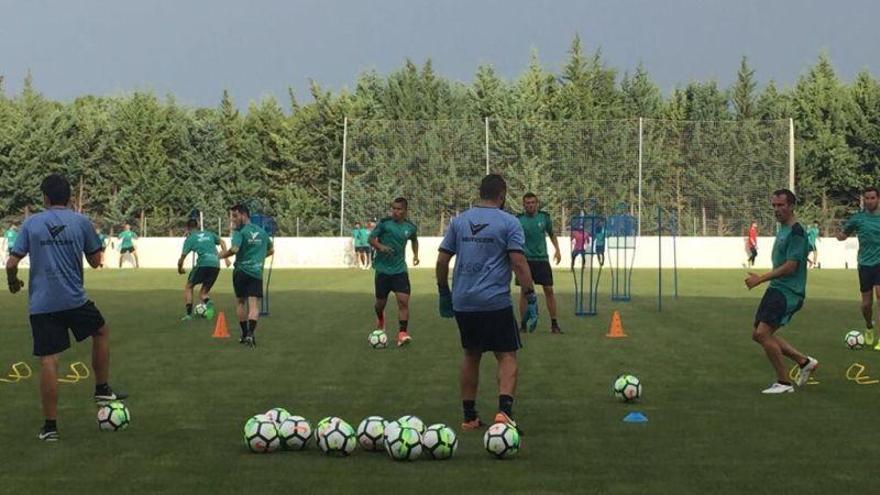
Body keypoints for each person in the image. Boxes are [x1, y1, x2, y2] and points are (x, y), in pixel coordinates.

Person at [6, 174, 127, 442]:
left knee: (49, 359)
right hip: (74, 299)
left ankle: (50, 427)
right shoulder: (81, 222)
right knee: (101, 331)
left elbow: (12, 263)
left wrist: (13, 283)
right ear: (70, 197)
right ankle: (102, 388)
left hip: (42, 304)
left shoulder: (31, 223)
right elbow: (96, 262)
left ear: (45, 198)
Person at [436, 174, 537, 432]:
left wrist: (444, 293)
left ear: (480, 193)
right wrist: (530, 295)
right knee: (506, 354)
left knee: (471, 354)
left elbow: (442, 261)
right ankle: (504, 412)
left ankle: (469, 416)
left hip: (463, 301)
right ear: (502, 195)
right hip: (494, 301)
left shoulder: (459, 221)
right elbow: (518, 262)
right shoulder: (509, 222)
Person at [745, 189, 818, 394]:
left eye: (781, 205)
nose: (777, 209)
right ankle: (804, 362)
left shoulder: (796, 232)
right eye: (774, 206)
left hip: (788, 292)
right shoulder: (783, 228)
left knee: (762, 333)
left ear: (792, 206)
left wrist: (760, 279)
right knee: (758, 334)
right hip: (777, 289)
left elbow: (791, 267)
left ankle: (784, 383)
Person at [219, 204, 273, 347]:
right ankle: (250, 334)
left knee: (241, 302)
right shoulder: (262, 232)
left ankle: (244, 334)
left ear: (244, 215)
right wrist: (259, 258)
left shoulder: (239, 232)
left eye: (235, 216)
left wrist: (220, 256)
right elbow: (271, 250)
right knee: (254, 304)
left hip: (241, 272)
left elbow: (234, 249)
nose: (233, 220)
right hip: (256, 272)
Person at [369, 198, 419, 347]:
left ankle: (402, 333)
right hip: (383, 270)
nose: (395, 212)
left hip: (399, 270)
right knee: (380, 304)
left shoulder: (410, 227)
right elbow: (371, 239)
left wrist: (416, 255)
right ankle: (381, 319)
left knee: (403, 302)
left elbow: (414, 241)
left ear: (405, 210)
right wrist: (380, 247)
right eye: (394, 208)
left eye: (399, 209)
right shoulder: (384, 224)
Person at [837, 186, 880, 349]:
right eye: (867, 198)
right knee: (866, 304)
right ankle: (869, 326)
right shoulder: (858, 219)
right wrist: (840, 236)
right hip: (864, 264)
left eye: (872, 198)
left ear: (878, 199)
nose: (869, 201)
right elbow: (844, 233)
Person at [516, 193, 562, 333]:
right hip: (525, 260)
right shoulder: (518, 220)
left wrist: (557, 250)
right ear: (524, 205)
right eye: (527, 203)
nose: (530, 205)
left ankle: (554, 324)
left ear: (537, 204)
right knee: (524, 292)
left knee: (548, 290)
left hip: (542, 260)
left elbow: (552, 234)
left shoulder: (544, 217)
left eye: (532, 202)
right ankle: (523, 325)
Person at [177, 219, 229, 321]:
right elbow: (222, 242)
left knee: (189, 286)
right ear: (198, 225)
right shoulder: (209, 234)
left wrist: (180, 269)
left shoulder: (190, 239)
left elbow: (182, 258)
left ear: (187, 228)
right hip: (215, 265)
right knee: (203, 293)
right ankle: (207, 302)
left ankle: (188, 315)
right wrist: (226, 257)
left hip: (203, 263)